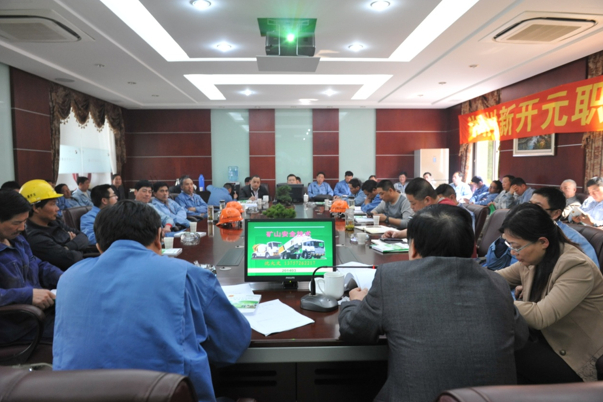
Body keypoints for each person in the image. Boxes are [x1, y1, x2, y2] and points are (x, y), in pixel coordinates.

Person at [53, 200, 251, 401]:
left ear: (99, 246)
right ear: (159, 237)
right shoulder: (188, 275)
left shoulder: (69, 279)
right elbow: (232, 346)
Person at [339, 204, 528, 402]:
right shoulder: (496, 282)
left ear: (413, 248)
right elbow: (520, 337)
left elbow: (354, 330)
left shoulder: (392, 278)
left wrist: (355, 302)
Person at [496, 203, 603, 383]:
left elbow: (540, 316)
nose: (513, 253)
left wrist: (493, 299)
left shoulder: (576, 266)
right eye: (510, 245)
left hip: (572, 356)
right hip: (544, 340)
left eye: (516, 246)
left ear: (543, 242)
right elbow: (494, 279)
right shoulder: (534, 258)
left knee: (500, 348)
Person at [483, 187, 600, 271]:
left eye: (537, 206)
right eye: (530, 204)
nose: (529, 210)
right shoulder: (520, 230)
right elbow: (493, 265)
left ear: (555, 213)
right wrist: (504, 239)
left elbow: (589, 273)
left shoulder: (573, 240)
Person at [0, 190, 63, 344]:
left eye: (25, 221)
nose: (22, 228)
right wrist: (27, 295)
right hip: (17, 328)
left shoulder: (17, 240)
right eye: (16, 223)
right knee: (81, 333)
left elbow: (38, 265)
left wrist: (63, 277)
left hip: (40, 314)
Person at [21, 180, 89, 270]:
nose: (57, 208)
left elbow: (83, 237)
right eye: (52, 204)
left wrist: (67, 247)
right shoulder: (35, 237)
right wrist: (77, 247)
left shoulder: (55, 222)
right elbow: (73, 259)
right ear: (36, 208)